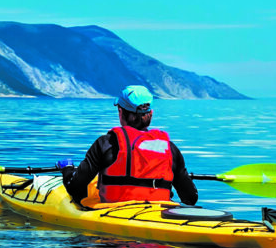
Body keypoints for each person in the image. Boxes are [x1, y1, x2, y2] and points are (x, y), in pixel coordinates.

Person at [62, 85, 198, 206]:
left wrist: (67, 170)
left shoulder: (106, 143)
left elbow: (75, 188)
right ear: (151, 113)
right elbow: (190, 198)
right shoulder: (170, 149)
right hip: (158, 213)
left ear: (121, 112)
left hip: (113, 213)